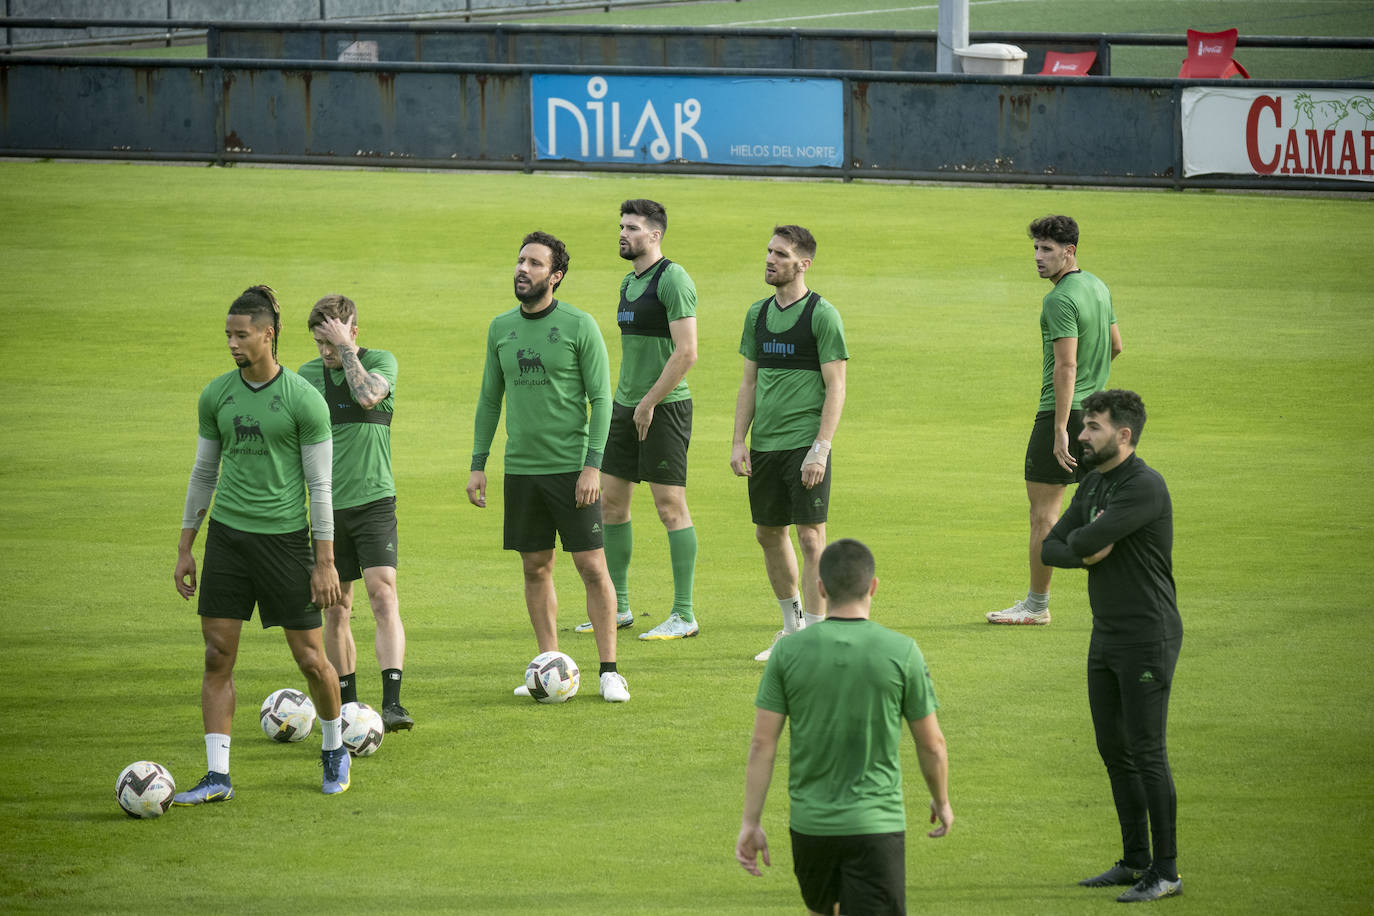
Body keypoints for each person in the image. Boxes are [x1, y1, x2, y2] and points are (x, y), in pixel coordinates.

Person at [172, 284, 351, 802]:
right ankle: (218, 776)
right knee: (216, 655)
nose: (232, 343)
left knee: (312, 659)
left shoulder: (303, 400)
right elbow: (204, 472)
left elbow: (320, 487)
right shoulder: (217, 394)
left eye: (241, 334)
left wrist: (325, 563)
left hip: (285, 544)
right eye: (228, 334)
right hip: (228, 540)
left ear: (268, 335)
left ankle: (334, 747)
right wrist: (187, 546)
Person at [735, 539, 953, 916]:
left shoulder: (787, 652)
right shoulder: (901, 651)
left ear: (820, 588)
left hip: (811, 828)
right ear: (873, 587)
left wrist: (751, 822)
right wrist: (942, 800)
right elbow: (932, 744)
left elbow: (761, 744)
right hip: (876, 825)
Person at [466, 231, 630, 703]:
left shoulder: (580, 325)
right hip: (522, 470)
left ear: (555, 276)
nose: (523, 269)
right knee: (536, 567)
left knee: (591, 567)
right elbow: (489, 399)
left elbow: (602, 400)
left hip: (571, 469)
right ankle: (549, 665)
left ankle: (609, 671)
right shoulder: (501, 328)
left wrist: (592, 466)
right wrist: (479, 464)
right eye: (520, 260)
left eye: (535, 264)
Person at [1041, 390, 1182, 903]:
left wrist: (1084, 541)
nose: (1082, 435)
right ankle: (1135, 860)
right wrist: (1087, 549)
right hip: (1107, 634)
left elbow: (1078, 539)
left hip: (1148, 635)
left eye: (1093, 427)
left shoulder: (1144, 487)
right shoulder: (1094, 482)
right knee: (1113, 748)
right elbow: (1052, 546)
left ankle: (1165, 871)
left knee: (1147, 751)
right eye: (1083, 425)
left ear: (1124, 435)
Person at [988, 214, 1122, 626]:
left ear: (1070, 251)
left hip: (1062, 412)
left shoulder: (1059, 299)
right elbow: (1116, 345)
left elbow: (1065, 366)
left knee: (1043, 515)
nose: (1038, 257)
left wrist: (1061, 427)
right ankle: (1118, 602)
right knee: (1102, 511)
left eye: (1047, 250)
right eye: (1035, 248)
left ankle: (1035, 606)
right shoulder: (1098, 286)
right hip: (1100, 413)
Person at [579, 198, 701, 641]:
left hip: (663, 408)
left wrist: (649, 402)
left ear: (655, 235)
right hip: (625, 407)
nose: (623, 234)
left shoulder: (674, 279)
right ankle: (620, 606)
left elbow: (687, 351)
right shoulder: (627, 284)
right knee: (611, 506)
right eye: (621, 226)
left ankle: (684, 614)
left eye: (632, 228)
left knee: (670, 508)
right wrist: (629, 404)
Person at [730, 225, 848, 661]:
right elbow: (749, 382)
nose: (770, 259)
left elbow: (836, 386)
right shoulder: (757, 315)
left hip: (804, 446)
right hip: (764, 447)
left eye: (780, 254)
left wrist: (821, 447)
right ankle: (791, 627)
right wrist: (739, 441)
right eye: (769, 251)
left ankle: (815, 636)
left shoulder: (822, 314)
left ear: (804, 264)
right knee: (768, 533)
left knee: (812, 538)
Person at [299, 294, 411, 732]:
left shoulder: (381, 362)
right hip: (327, 509)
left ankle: (393, 703)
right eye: (319, 344)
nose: (325, 353)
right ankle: (348, 705)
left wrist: (346, 349)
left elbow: (367, 398)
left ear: (352, 332)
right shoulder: (305, 377)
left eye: (332, 342)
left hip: (374, 500)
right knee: (337, 606)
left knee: (382, 595)